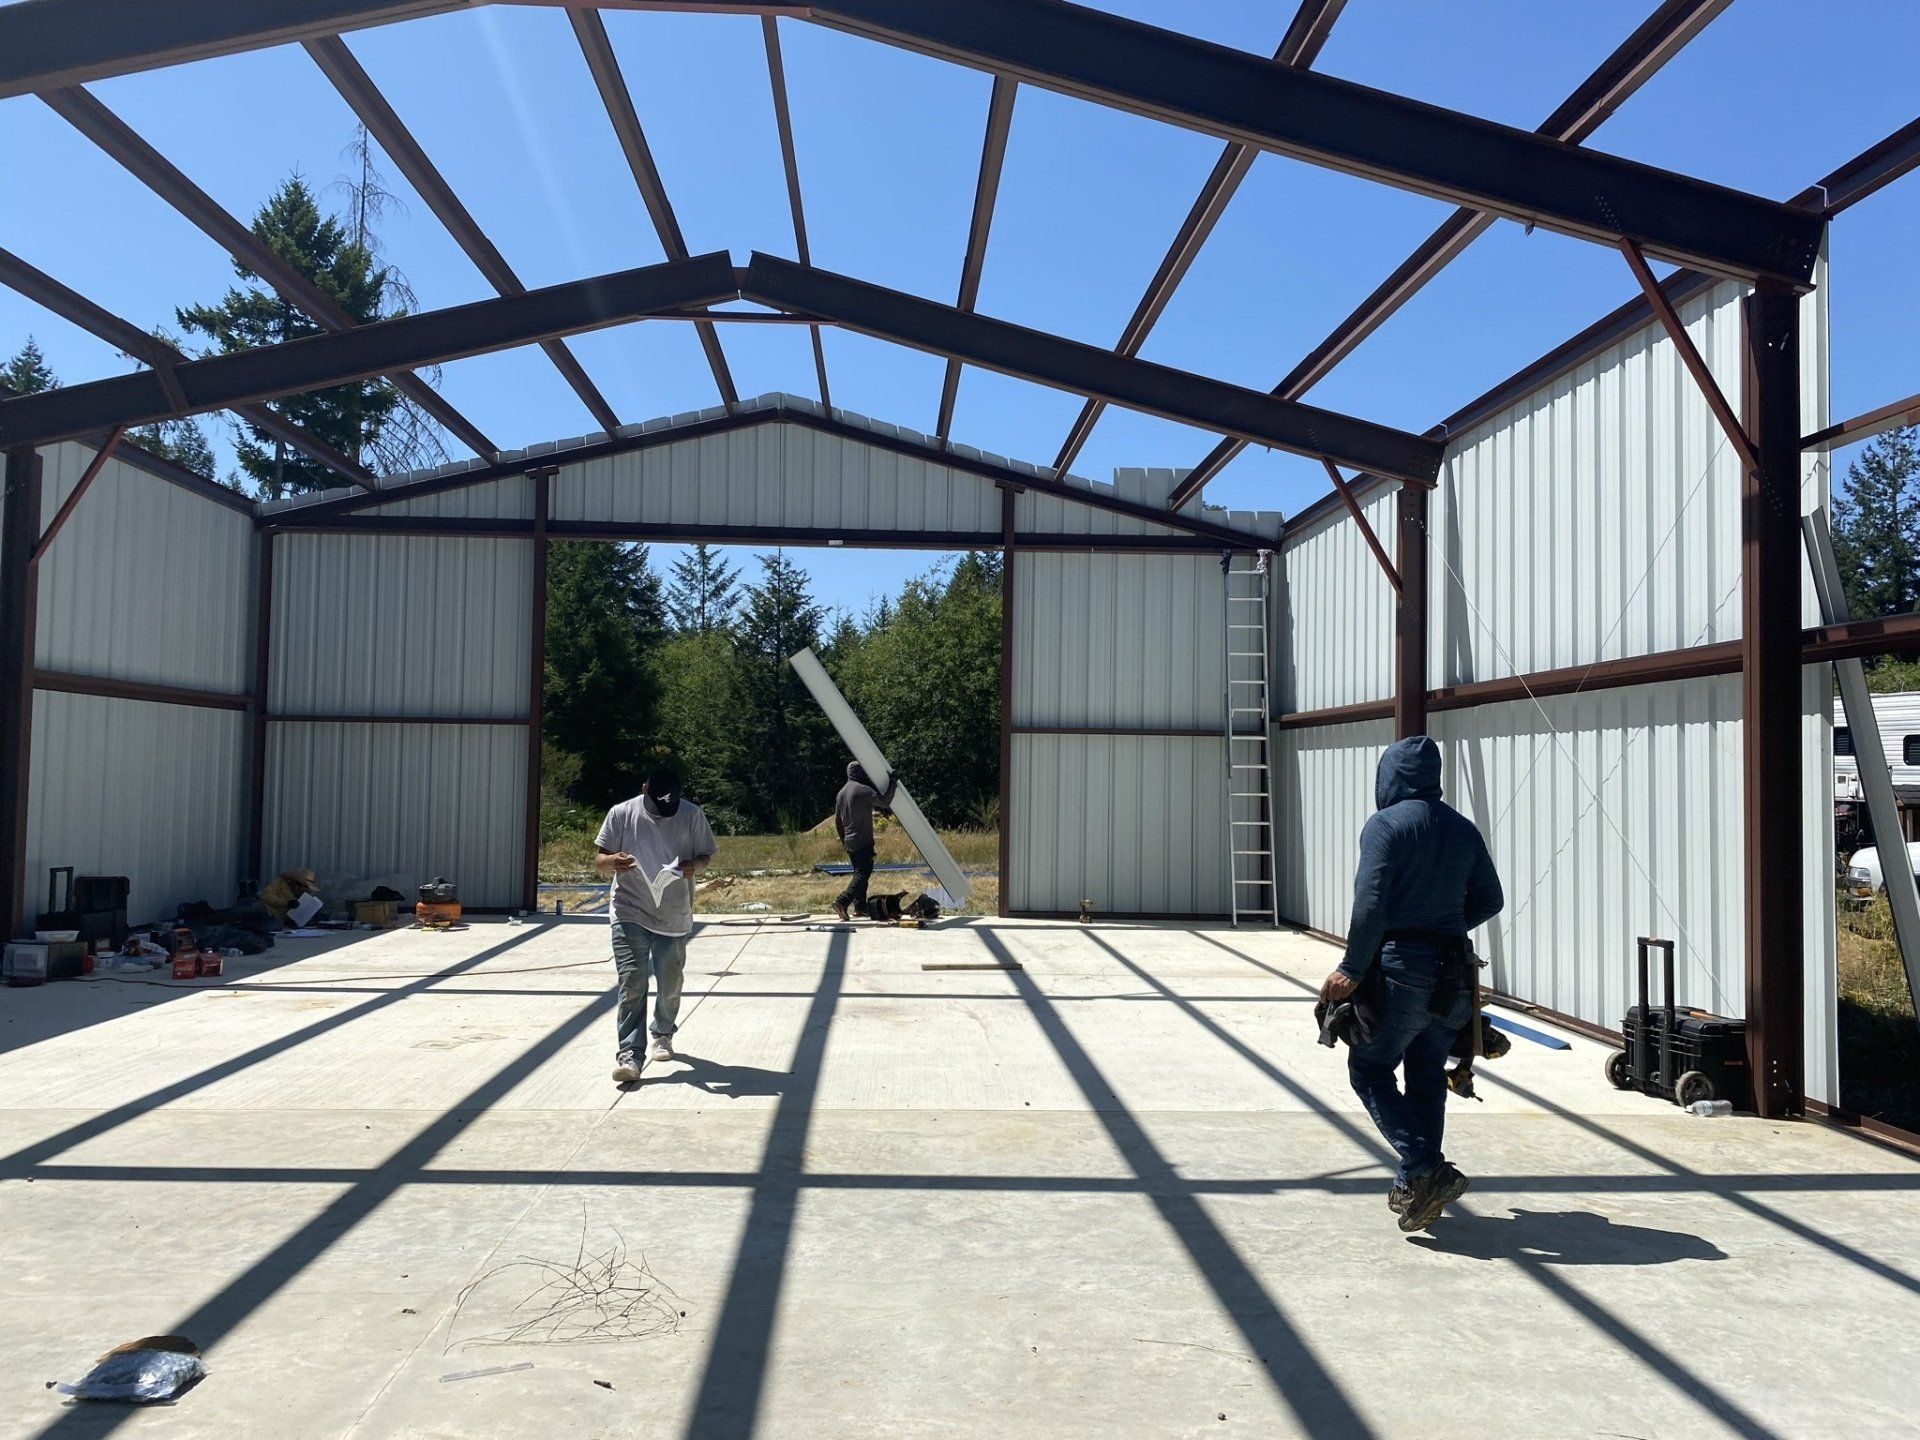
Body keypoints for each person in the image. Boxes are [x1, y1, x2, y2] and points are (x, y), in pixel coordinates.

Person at [1320, 735, 1504, 1233]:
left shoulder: (1385, 825)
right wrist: (1443, 924)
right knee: (1426, 1077)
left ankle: (1425, 1170)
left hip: (1400, 970)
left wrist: (1353, 968)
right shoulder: (1463, 829)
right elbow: (1491, 899)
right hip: (1453, 974)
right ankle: (1414, 1185)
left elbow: (1371, 904)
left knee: (1370, 1067)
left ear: (1388, 778)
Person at [595, 764, 718, 1085]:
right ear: (645, 788)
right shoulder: (621, 814)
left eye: (670, 806)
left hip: (673, 912)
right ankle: (630, 1054)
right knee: (632, 980)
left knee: (670, 981)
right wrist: (612, 863)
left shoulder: (692, 815)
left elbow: (707, 853)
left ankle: (663, 1032)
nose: (663, 813)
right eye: (657, 805)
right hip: (629, 908)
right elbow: (600, 859)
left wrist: (695, 866)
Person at [832, 759, 898, 921]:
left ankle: (860, 907)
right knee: (863, 873)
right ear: (860, 773)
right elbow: (885, 801)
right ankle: (842, 901)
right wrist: (893, 782)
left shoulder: (841, 793)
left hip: (850, 841)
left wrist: (843, 841)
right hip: (863, 841)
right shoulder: (862, 790)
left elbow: (837, 821)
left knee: (859, 873)